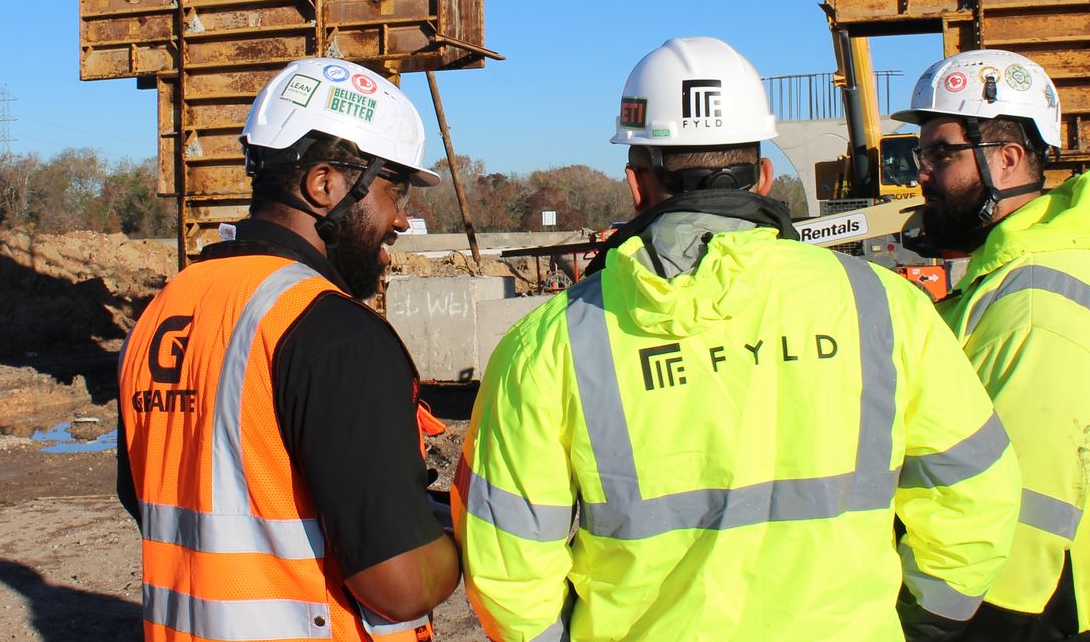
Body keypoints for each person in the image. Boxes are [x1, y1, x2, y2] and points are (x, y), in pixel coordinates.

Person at [454, 37, 1021, 640]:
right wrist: (914, 622)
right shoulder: (887, 309)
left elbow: (508, 572)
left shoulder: (548, 347)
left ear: (635, 182)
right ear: (767, 176)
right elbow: (976, 497)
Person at [117, 57, 459, 642]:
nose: (403, 217)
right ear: (325, 184)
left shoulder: (165, 310)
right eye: (393, 189)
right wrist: (472, 529)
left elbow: (150, 497)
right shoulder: (334, 333)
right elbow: (400, 587)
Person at [895, 49, 1090, 640]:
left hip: (1056, 610)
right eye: (919, 153)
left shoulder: (1037, 298)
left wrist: (952, 623)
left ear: (1008, 159)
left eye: (939, 153)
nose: (920, 172)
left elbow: (1022, 504)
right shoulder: (1006, 275)